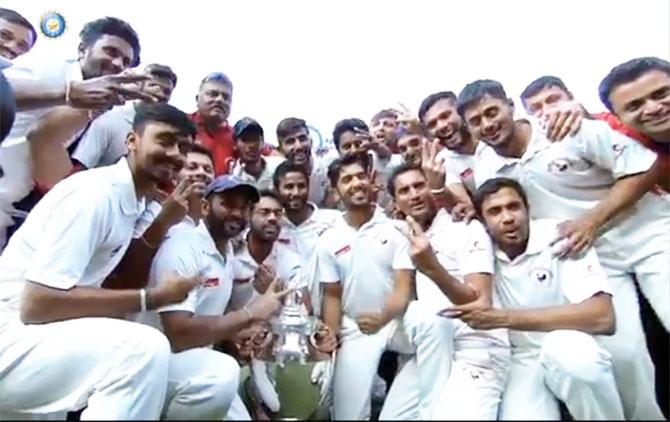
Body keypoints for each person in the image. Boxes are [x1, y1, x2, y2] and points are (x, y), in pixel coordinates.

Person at [457, 78, 668, 419]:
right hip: (592, 255)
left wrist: (592, 220)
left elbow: (644, 167)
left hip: (647, 232)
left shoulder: (562, 125)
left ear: (511, 106)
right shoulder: (487, 166)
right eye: (476, 121)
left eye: (492, 111)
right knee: (624, 354)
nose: (488, 124)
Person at [0, 101, 202, 420]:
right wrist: (153, 298)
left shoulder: (132, 200)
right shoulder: (95, 193)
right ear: (131, 140)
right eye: (164, 140)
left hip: (38, 336)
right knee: (142, 351)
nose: (176, 154)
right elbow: (38, 303)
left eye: (184, 147)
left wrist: (163, 222)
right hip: (12, 335)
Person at [444, 177, 623, 420]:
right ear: (482, 222)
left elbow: (603, 317)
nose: (507, 218)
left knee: (575, 359)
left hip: (569, 341)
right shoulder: (478, 251)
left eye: (514, 207)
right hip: (521, 359)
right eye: (495, 212)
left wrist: (503, 318)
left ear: (528, 208)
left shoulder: (560, 235)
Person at [134, 174, 292, 420]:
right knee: (222, 373)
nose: (237, 213)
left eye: (244, 207)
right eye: (228, 204)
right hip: (156, 366)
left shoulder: (227, 249)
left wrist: (235, 338)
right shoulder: (182, 246)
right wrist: (251, 313)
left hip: (195, 366)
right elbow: (179, 334)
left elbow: (208, 318)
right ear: (206, 207)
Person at [317, 152, 453, 420]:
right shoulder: (328, 239)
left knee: (434, 324)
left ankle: (434, 411)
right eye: (347, 180)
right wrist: (330, 335)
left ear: (371, 181)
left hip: (396, 321)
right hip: (356, 328)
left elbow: (403, 289)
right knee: (348, 416)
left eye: (360, 176)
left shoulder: (398, 228)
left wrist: (382, 319)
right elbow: (332, 295)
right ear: (335, 192)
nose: (355, 183)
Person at [0, 16, 154, 250]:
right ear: (83, 49)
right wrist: (67, 92)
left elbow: (44, 144)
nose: (117, 64)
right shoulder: (53, 69)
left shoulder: (94, 108)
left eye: (125, 61)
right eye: (110, 51)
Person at [383, 164, 510, 420]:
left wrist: (433, 268)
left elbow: (479, 302)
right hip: (433, 347)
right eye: (405, 191)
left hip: (476, 347)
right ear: (396, 203)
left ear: (433, 187)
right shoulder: (407, 236)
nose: (415, 194)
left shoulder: (464, 226)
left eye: (420, 185)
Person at [29, 63, 178, 189]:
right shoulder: (110, 118)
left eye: (167, 91)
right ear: (140, 87)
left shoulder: (166, 132)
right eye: (154, 86)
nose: (159, 93)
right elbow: (80, 169)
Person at [272, 161, 340, 314]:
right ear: (276, 190)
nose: (295, 193)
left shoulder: (333, 220)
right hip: (285, 317)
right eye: (289, 187)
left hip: (330, 313)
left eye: (301, 186)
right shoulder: (271, 227)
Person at [599, 56, 670, 190]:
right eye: (634, 106)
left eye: (661, 94)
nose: (653, 109)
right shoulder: (614, 133)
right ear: (618, 117)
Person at [276, 117, 339, 208]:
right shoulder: (277, 175)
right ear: (280, 150)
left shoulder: (328, 167)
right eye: (290, 141)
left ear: (311, 140)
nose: (298, 146)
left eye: (302, 139)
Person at [191, 72, 235, 175]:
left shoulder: (238, 137)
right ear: (197, 99)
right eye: (213, 94)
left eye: (226, 97)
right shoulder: (179, 125)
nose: (220, 100)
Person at [230, 117, 283, 191]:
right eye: (245, 140)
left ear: (263, 142)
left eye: (255, 139)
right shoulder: (233, 178)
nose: (252, 145)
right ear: (235, 144)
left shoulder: (279, 167)